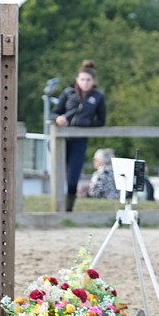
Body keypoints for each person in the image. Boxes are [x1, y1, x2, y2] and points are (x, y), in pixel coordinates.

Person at [54, 60, 106, 211]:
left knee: (73, 179)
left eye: (88, 80)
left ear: (93, 81)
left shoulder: (98, 97)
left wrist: (86, 124)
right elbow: (54, 112)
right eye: (82, 79)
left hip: (79, 141)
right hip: (62, 140)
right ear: (77, 79)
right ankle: (57, 207)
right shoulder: (68, 93)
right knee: (58, 175)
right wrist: (58, 119)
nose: (85, 82)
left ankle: (68, 209)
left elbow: (101, 121)